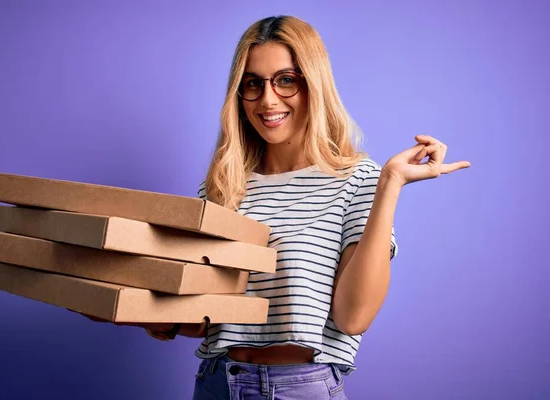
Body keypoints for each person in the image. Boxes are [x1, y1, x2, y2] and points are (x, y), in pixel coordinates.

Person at [86, 15, 470, 400]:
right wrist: (131, 309)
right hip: (216, 382)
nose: (268, 99)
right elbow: (207, 318)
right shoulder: (221, 187)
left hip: (297, 388)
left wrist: (389, 185)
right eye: (253, 83)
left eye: (286, 79)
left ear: (313, 84)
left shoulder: (358, 181)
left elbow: (355, 317)